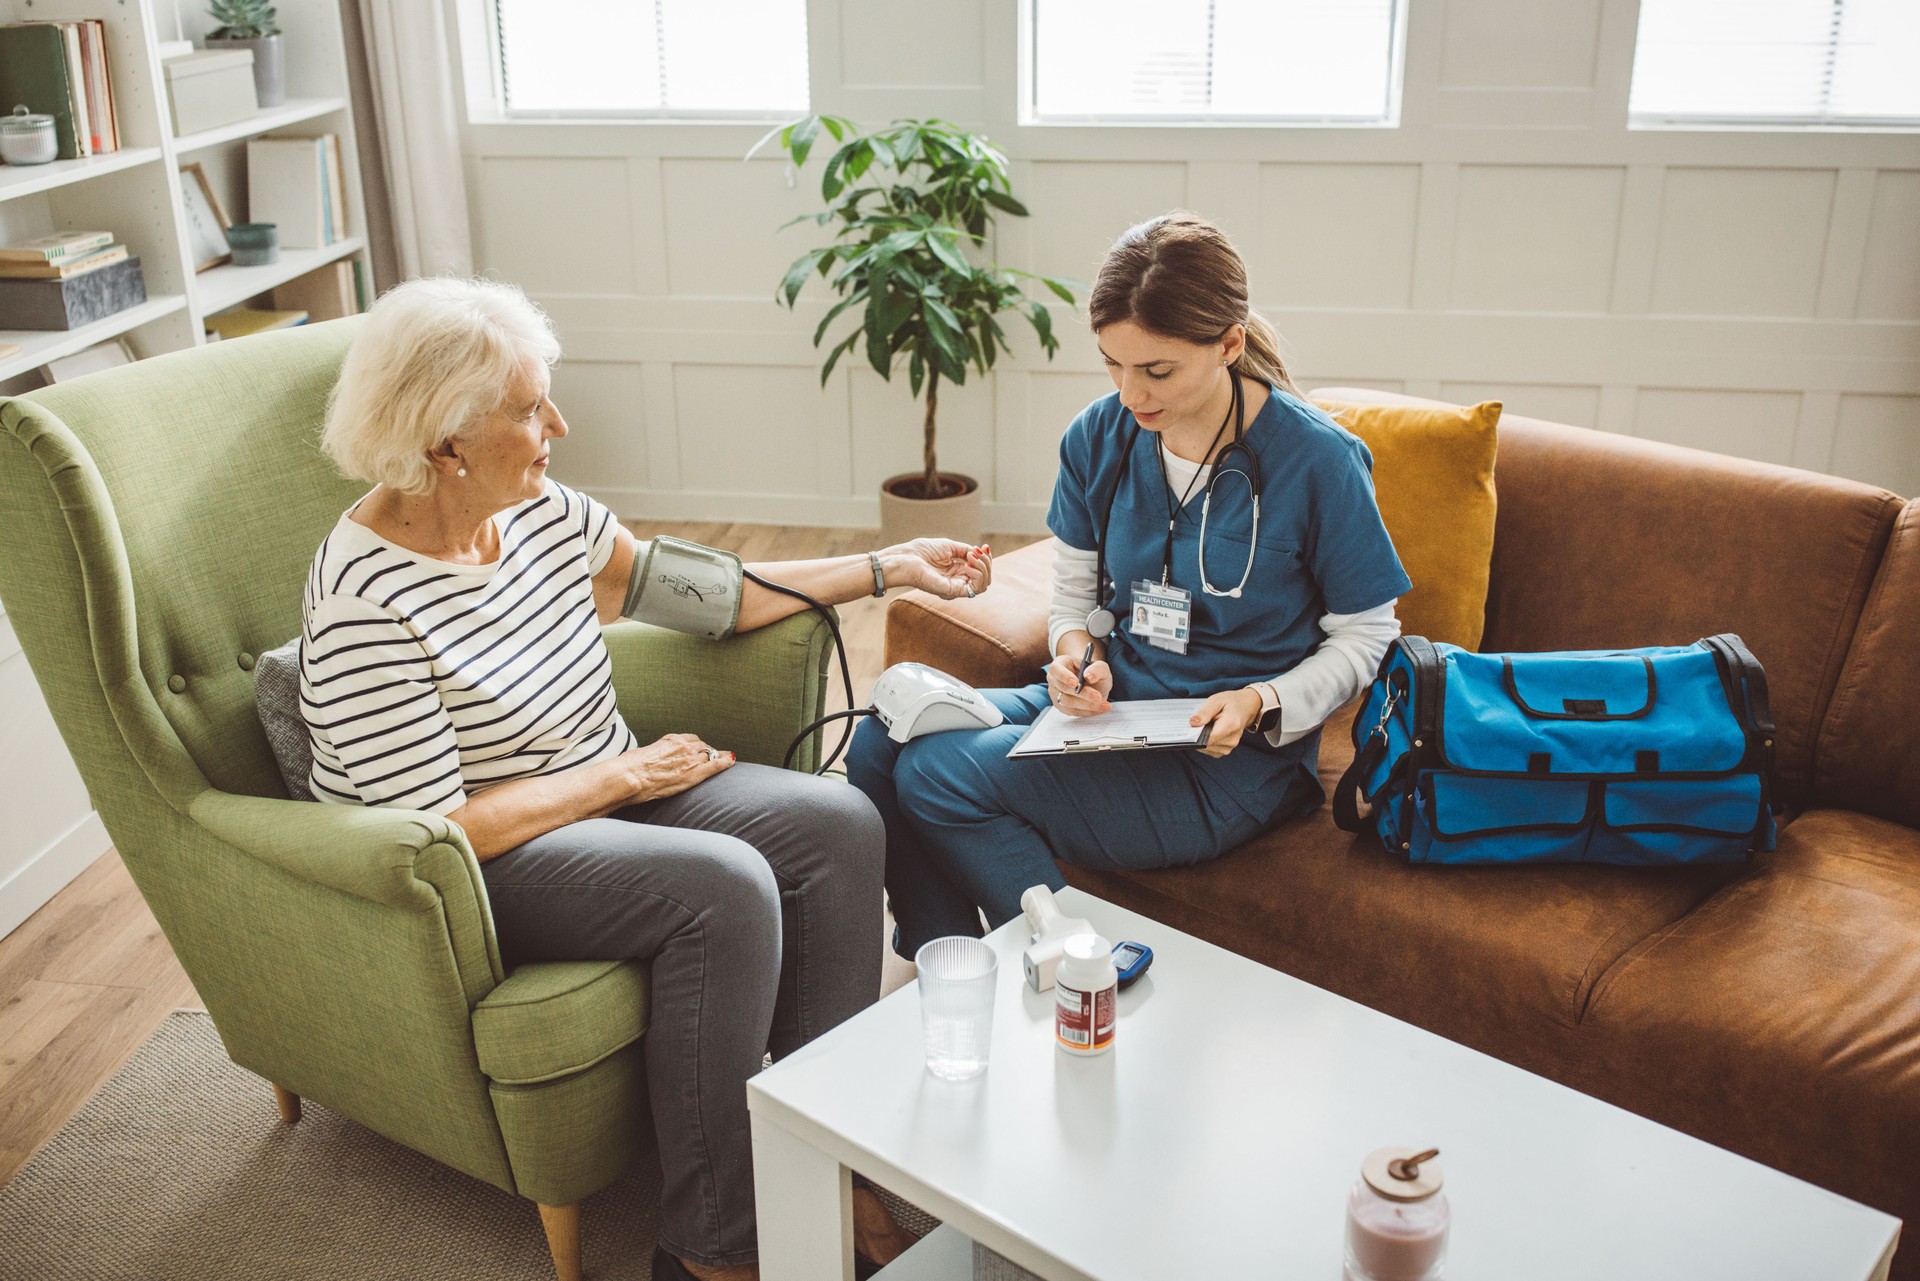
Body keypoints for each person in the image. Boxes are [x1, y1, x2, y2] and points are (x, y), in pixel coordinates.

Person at [301, 277, 991, 1281]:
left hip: (606, 785)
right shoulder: (366, 598)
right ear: (443, 441)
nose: (560, 426)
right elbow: (439, 832)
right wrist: (624, 779)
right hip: (481, 860)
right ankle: (714, 1248)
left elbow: (713, 598)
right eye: (531, 408)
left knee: (839, 824)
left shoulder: (539, 509)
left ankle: (829, 1170)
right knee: (721, 891)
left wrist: (891, 564)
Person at [848, 213, 1410, 954]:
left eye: (1158, 370)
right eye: (1113, 364)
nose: (1130, 394)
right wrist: (1077, 652)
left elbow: (1370, 633)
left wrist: (1261, 700)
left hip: (1231, 760)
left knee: (939, 772)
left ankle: (1084, 969)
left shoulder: (1319, 463)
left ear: (1229, 345)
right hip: (1119, 708)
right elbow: (1075, 589)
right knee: (884, 735)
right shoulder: (1098, 436)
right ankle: (944, 954)